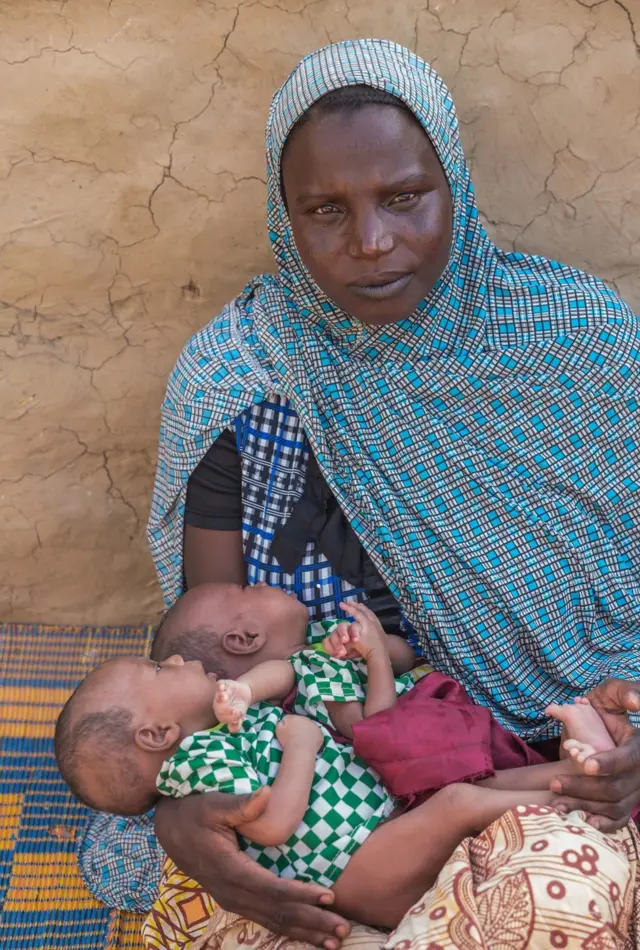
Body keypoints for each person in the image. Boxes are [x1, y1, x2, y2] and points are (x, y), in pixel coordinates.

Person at [80, 38, 640, 946]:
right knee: (184, 910)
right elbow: (211, 656)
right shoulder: (241, 381)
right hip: (318, 806)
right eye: (326, 210)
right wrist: (187, 810)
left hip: (539, 778)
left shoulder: (574, 343)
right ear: (282, 218)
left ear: (454, 182)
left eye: (406, 197)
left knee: (558, 903)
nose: (372, 243)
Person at [59, 585, 617, 930]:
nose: (175, 659)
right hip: (357, 872)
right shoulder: (200, 764)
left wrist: (254, 693)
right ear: (158, 734)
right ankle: (591, 805)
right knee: (459, 800)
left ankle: (584, 771)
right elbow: (273, 823)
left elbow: (288, 671)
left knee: (487, 783)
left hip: (375, 833)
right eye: (159, 671)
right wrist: (300, 745)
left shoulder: (233, 722)